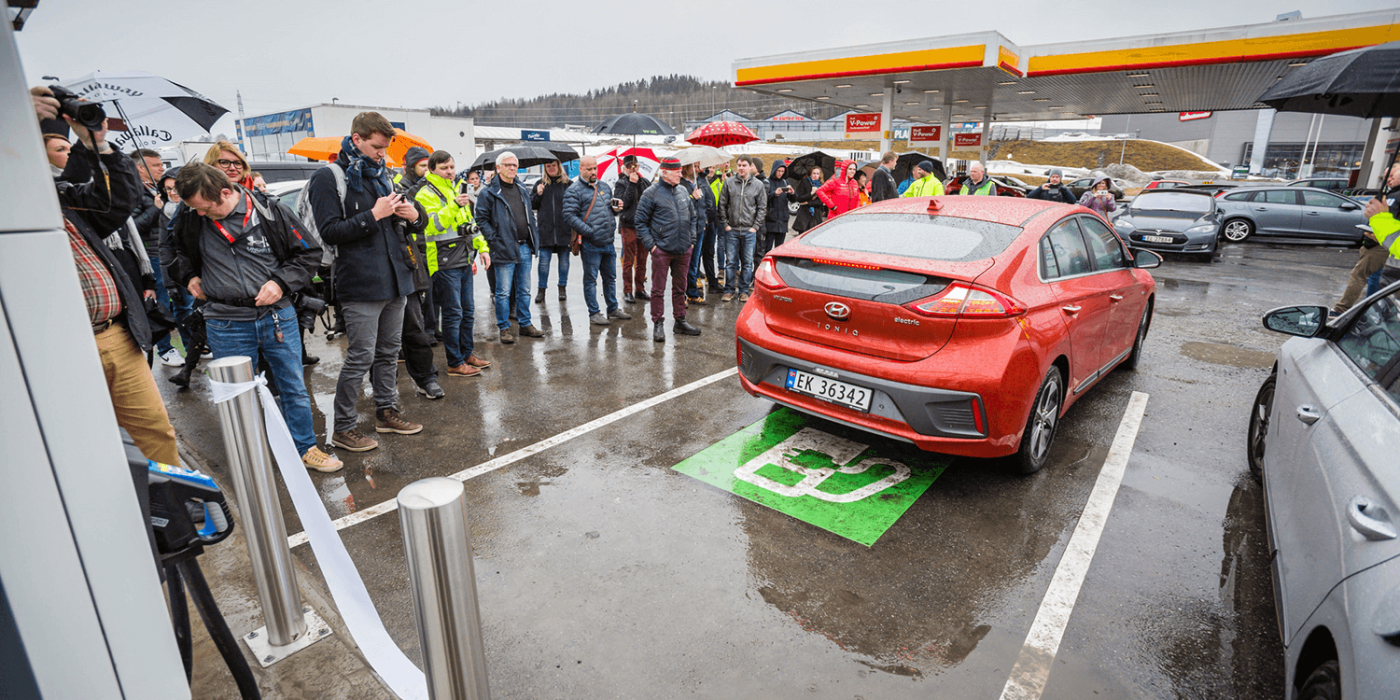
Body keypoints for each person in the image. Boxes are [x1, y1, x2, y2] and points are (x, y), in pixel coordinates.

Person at [170, 164, 342, 472]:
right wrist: (188, 276)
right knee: (237, 393)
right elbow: (173, 251)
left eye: (206, 208)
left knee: (292, 387)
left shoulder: (270, 212)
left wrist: (280, 283)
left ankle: (306, 447)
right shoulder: (190, 216)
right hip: (224, 321)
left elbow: (308, 253)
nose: (201, 215)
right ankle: (252, 453)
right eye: (195, 209)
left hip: (277, 317)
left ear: (226, 192)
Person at [47, 99, 180, 467]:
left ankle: (176, 508)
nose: (69, 151)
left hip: (114, 335)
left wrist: (96, 144)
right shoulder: (21, 201)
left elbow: (118, 200)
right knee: (89, 444)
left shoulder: (69, 200)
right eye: (60, 147)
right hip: (62, 349)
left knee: (155, 430)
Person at [306, 111, 427, 453]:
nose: (382, 154)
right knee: (360, 357)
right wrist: (374, 215)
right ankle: (344, 428)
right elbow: (329, 231)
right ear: (356, 139)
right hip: (360, 282)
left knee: (389, 352)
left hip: (396, 279)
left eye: (386, 148)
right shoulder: (328, 177)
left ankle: (386, 413)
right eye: (376, 147)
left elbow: (411, 222)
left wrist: (414, 215)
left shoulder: (382, 175)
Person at [414, 150, 492, 380]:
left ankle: (467, 354)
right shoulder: (425, 193)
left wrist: (484, 249)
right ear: (432, 169)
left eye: (451, 167)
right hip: (442, 260)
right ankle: (454, 362)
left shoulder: (456, 189)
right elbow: (431, 226)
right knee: (452, 313)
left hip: (464, 257)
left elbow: (469, 224)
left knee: (468, 311)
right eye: (444, 168)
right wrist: (454, 206)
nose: (449, 172)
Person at [476, 151, 544, 344]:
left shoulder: (522, 189)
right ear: (498, 168)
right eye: (508, 165)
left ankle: (525, 324)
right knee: (503, 292)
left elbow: (529, 215)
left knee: (524, 289)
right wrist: (494, 239)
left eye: (515, 165)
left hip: (524, 247)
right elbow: (481, 219)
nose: (512, 168)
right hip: (503, 247)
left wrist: (534, 237)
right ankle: (504, 328)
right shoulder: (488, 193)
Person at [128, 148, 186, 367]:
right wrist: (155, 208)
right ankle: (166, 349)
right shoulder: (134, 192)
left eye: (161, 165)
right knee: (160, 304)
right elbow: (133, 228)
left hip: (174, 255)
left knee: (183, 302)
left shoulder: (158, 189)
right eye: (156, 165)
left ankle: (192, 345)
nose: (161, 168)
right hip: (153, 256)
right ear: (139, 168)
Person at [635, 157, 703, 342]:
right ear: (665, 172)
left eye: (681, 170)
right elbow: (640, 222)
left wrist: (691, 241)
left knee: (680, 288)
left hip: (683, 249)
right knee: (658, 289)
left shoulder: (682, 191)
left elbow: (693, 216)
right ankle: (658, 323)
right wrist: (653, 247)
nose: (681, 174)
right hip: (662, 250)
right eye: (677, 171)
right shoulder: (651, 193)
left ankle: (680, 321)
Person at [564, 155, 633, 326]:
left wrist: (616, 209)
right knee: (591, 279)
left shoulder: (604, 186)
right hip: (591, 243)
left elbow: (609, 211)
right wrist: (589, 232)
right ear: (580, 169)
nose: (593, 171)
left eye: (595, 168)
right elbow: (569, 215)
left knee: (610, 278)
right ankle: (594, 312)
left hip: (608, 241)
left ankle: (613, 308)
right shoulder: (573, 190)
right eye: (589, 169)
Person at [1334, 163, 1400, 315]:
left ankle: (1344, 309)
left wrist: (1380, 231)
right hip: (1382, 245)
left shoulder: (1395, 197)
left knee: (1368, 277)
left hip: (1382, 247)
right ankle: (1374, 310)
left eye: (1392, 176)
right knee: (1378, 280)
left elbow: (1391, 224)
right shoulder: (1389, 194)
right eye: (1386, 177)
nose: (1388, 180)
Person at [717, 156, 767, 303]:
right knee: (731, 262)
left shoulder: (758, 185)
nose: (741, 168)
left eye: (744, 165)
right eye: (739, 165)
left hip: (748, 231)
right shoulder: (729, 183)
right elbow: (722, 204)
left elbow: (762, 207)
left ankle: (743, 291)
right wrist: (725, 224)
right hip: (732, 229)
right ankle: (729, 290)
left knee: (747, 262)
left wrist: (755, 227)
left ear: (751, 167)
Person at [532, 159, 572, 304]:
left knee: (564, 262)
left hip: (564, 229)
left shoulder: (568, 184)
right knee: (543, 262)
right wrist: (538, 194)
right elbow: (532, 205)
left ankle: (562, 288)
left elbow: (575, 205)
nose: (551, 168)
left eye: (553, 165)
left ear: (559, 166)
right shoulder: (540, 184)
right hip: (545, 230)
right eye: (548, 166)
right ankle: (541, 290)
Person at [614, 155, 651, 304]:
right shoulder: (620, 183)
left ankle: (640, 289)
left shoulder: (645, 182)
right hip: (628, 226)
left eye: (635, 165)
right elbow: (624, 203)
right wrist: (631, 184)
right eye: (629, 166)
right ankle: (628, 290)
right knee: (628, 260)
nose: (632, 168)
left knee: (642, 260)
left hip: (644, 227)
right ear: (624, 168)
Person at [686, 164, 718, 305]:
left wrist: (704, 220)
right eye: (695, 165)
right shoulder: (682, 185)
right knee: (686, 264)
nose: (698, 168)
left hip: (699, 228)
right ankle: (682, 295)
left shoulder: (698, 182)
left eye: (699, 165)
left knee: (694, 264)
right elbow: (682, 207)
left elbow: (703, 204)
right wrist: (693, 197)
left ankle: (692, 293)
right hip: (687, 231)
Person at [759, 161, 793, 265]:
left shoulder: (785, 182)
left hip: (782, 221)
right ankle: (764, 267)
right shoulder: (767, 182)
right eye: (779, 171)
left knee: (779, 250)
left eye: (782, 171)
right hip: (771, 220)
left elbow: (793, 199)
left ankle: (776, 269)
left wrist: (792, 193)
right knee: (767, 248)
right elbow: (763, 199)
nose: (780, 173)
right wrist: (774, 193)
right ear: (774, 170)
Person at [792, 166, 827, 234]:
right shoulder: (804, 182)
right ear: (810, 174)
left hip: (816, 216)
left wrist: (808, 203)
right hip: (804, 215)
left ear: (820, 175)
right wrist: (811, 193)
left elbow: (821, 201)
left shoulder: (822, 185)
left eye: (817, 173)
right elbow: (799, 198)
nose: (815, 175)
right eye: (814, 173)